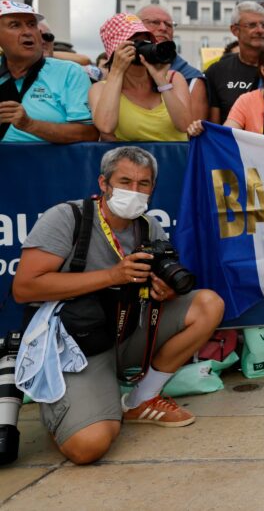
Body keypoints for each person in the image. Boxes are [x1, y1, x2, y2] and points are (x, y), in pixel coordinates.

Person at [11, 146, 224, 464]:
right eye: (125, 181)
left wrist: (162, 289)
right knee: (88, 447)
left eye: (144, 184)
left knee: (208, 304)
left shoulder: (149, 226)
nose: (134, 191)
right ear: (104, 183)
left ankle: (142, 399)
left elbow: (156, 286)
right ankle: (72, 411)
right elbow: (24, 288)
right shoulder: (68, 217)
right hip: (78, 345)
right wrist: (112, 275)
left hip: (128, 329)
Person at [0, 0, 97, 143]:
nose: (27, 32)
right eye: (15, 25)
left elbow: (89, 134)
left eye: (32, 24)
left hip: (52, 165)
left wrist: (30, 124)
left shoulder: (69, 72)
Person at [89, 14, 192, 142]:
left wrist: (161, 80)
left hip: (175, 159)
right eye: (135, 42)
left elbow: (184, 126)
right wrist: (116, 71)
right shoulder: (100, 89)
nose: (142, 46)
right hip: (135, 160)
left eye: (146, 40)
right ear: (115, 50)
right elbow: (106, 127)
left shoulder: (173, 78)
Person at [137, 5, 208, 121]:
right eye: (155, 22)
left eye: (169, 25)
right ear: (135, 28)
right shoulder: (121, 70)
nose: (163, 28)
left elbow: (193, 132)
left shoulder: (192, 79)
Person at [204, 2, 264, 123]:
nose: (260, 30)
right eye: (252, 25)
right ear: (235, 30)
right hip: (232, 141)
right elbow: (215, 125)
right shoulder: (217, 71)